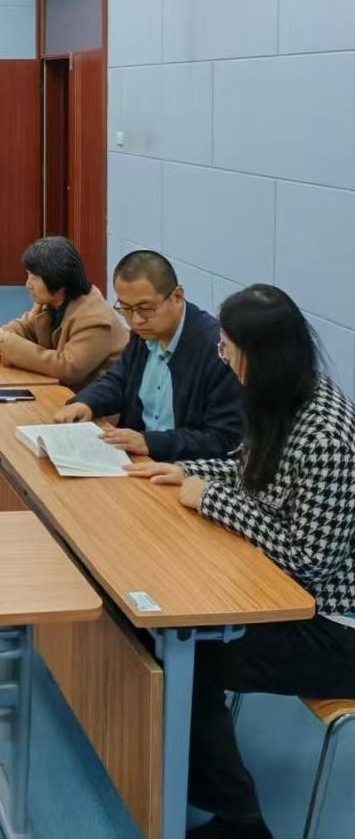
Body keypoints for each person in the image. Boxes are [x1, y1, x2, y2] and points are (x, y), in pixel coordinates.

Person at [126, 285, 355, 839]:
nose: (221, 355)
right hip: (288, 597)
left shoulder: (327, 436)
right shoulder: (283, 395)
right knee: (170, 634)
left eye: (228, 346)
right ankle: (185, 780)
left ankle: (240, 820)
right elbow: (246, 467)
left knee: (193, 654)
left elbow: (309, 561)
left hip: (335, 626)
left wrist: (211, 498)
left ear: (261, 354)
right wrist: (188, 471)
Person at [54, 249, 243, 462]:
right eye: (126, 308)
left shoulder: (218, 351)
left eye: (145, 308)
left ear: (177, 296)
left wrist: (149, 442)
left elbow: (224, 439)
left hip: (182, 469)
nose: (135, 320)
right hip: (137, 459)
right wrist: (86, 403)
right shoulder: (144, 332)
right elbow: (119, 380)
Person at [0, 236, 127, 391]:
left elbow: (69, 369)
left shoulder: (95, 319)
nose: (28, 284)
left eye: (34, 278)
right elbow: (26, 326)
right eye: (28, 275)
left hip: (95, 401)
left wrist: (11, 347)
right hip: (63, 391)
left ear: (59, 283)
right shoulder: (50, 301)